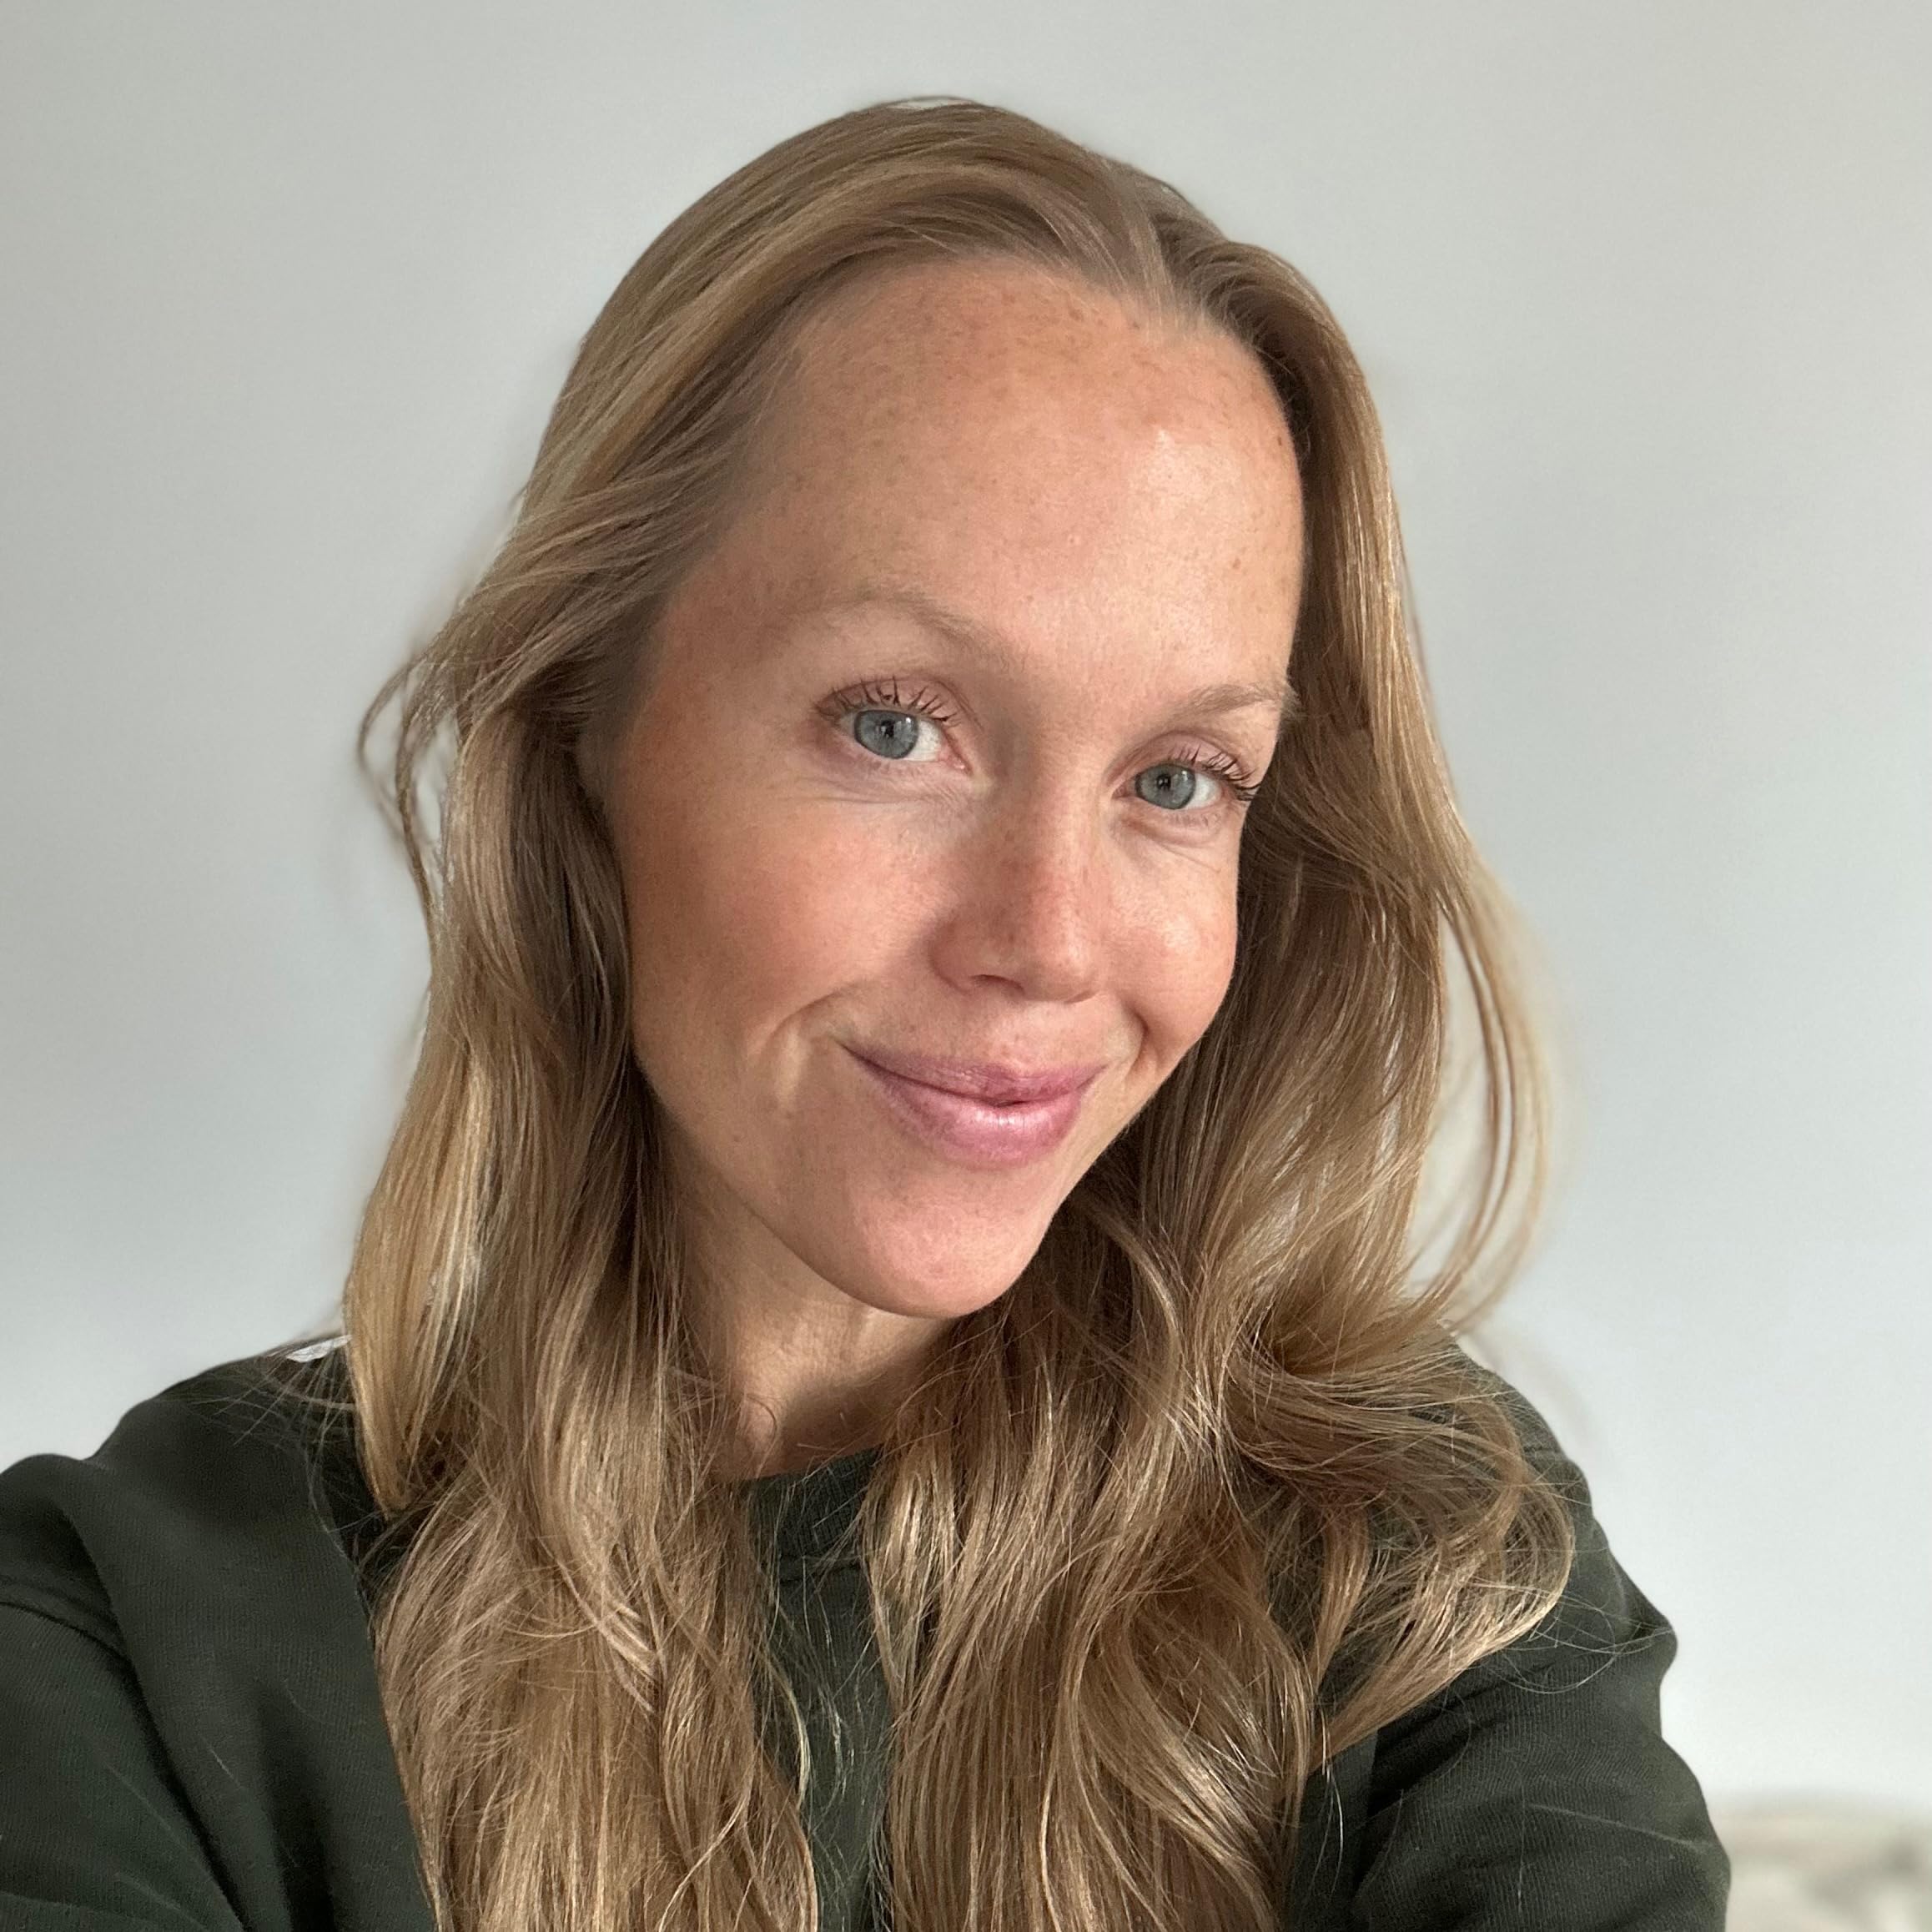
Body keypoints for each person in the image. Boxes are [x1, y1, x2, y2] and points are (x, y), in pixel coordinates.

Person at [0, 95, 1728, 1932]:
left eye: (1177, 779)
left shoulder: (1434, 1572)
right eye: (895, 725)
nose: (1048, 942)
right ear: (586, 737)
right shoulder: (129, 1654)